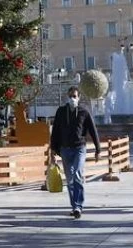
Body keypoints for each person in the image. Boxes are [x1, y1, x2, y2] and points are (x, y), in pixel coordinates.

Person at [49, 86, 100, 220]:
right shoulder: (61, 111)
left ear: (79, 97)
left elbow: (93, 130)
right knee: (70, 179)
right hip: (65, 149)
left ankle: (78, 206)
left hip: (79, 148)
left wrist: (97, 149)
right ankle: (74, 206)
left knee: (77, 174)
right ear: (67, 96)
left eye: (75, 96)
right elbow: (55, 131)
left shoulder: (84, 112)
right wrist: (53, 150)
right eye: (70, 96)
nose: (72, 98)